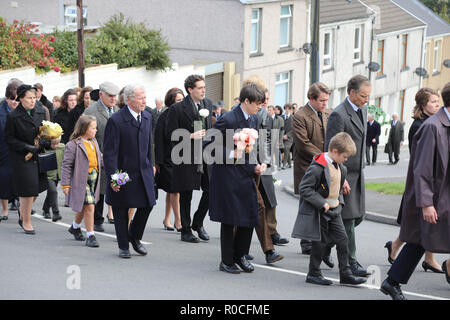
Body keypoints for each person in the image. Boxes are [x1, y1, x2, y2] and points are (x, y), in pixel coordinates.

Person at [380, 82, 450, 300]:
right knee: (420, 239)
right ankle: (392, 282)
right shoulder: (432, 127)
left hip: (444, 196)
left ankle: (392, 282)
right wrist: (427, 203)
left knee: (421, 239)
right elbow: (422, 169)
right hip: (436, 198)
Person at [293, 132, 367, 286]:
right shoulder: (318, 167)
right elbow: (305, 188)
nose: (346, 160)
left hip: (335, 210)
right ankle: (313, 273)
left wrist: (339, 201)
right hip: (321, 210)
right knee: (319, 243)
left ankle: (345, 274)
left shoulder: (341, 168)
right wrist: (321, 203)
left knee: (343, 239)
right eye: (345, 157)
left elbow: (335, 186)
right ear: (334, 151)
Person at [209, 83, 266, 274]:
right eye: (257, 103)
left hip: (245, 173)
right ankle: (226, 261)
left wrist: (257, 164)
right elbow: (210, 146)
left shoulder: (253, 119)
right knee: (230, 217)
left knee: (249, 215)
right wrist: (233, 153)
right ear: (246, 101)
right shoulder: (228, 118)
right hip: (228, 175)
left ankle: (240, 255)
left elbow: (251, 149)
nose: (260, 107)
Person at [325, 75, 371, 277]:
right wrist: (340, 178)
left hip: (358, 173)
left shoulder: (363, 109)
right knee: (349, 221)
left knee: (359, 217)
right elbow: (331, 149)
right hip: (344, 175)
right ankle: (351, 262)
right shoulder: (338, 115)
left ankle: (324, 246)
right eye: (363, 95)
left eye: (368, 96)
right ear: (351, 93)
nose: (366, 100)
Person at [103, 84, 157, 259]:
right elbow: (110, 153)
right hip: (124, 172)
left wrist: (152, 164)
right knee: (120, 209)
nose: (144, 101)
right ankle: (123, 246)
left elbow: (149, 145)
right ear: (129, 100)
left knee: (148, 203)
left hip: (144, 170)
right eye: (141, 98)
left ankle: (134, 236)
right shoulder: (116, 120)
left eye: (144, 97)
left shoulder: (147, 117)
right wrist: (115, 178)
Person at [165, 74, 213, 243]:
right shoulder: (177, 109)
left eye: (204, 87)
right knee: (186, 194)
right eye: (200, 88)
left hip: (206, 154)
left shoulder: (208, 104)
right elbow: (169, 134)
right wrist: (190, 135)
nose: (203, 90)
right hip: (185, 155)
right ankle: (185, 230)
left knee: (211, 190)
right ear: (190, 90)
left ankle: (198, 222)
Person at [243, 76, 283, 264]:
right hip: (244, 169)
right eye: (260, 97)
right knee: (247, 208)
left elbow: (266, 140)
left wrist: (265, 162)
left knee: (261, 204)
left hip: (259, 166)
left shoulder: (263, 114)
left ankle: (268, 250)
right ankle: (241, 248)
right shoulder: (239, 114)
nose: (264, 102)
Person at [293, 82, 332, 257]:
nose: (325, 104)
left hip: (325, 166)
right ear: (311, 98)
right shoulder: (300, 116)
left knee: (323, 202)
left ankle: (318, 239)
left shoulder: (328, 113)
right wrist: (324, 158)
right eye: (322, 101)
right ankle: (306, 242)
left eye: (326, 100)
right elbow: (303, 144)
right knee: (307, 204)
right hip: (307, 166)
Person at [5, 84, 50, 234]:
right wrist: (26, 146)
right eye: (29, 98)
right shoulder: (13, 116)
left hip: (39, 154)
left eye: (34, 98)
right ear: (21, 99)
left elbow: (46, 129)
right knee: (28, 189)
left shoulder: (40, 111)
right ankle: (26, 221)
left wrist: (46, 141)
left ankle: (23, 212)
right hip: (22, 157)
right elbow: (9, 138)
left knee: (40, 187)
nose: (33, 101)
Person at [84, 81, 120, 231]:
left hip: (116, 158)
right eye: (110, 96)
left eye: (115, 96)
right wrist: (97, 153)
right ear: (101, 95)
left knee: (118, 188)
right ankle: (96, 219)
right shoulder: (91, 111)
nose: (113, 99)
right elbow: (85, 136)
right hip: (98, 157)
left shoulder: (117, 110)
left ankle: (119, 219)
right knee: (98, 190)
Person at [61, 115, 102, 247]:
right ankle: (91, 235)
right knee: (90, 206)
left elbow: (99, 158)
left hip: (94, 178)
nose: (96, 130)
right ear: (84, 129)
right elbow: (66, 165)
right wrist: (65, 184)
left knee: (84, 205)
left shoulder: (94, 141)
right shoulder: (73, 145)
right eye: (93, 128)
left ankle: (75, 227)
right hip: (81, 180)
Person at [154, 88, 184, 232]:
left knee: (171, 191)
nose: (181, 103)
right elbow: (158, 139)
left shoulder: (183, 115)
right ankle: (178, 221)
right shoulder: (164, 116)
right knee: (174, 190)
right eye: (178, 100)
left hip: (182, 157)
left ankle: (167, 219)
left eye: (182, 100)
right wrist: (158, 161)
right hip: (168, 158)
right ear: (171, 101)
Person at [0, 82, 20, 221]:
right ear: (7, 98)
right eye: (12, 99)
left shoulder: (23, 112)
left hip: (19, 150)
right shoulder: (1, 113)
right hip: (3, 150)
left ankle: (22, 210)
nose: (15, 102)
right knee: (4, 180)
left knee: (20, 181)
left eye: (17, 99)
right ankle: (5, 209)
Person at [42, 136, 64, 222]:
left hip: (58, 174)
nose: (55, 146)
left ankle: (45, 209)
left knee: (51, 193)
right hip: (48, 175)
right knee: (53, 191)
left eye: (57, 144)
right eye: (53, 144)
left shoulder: (62, 147)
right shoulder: (45, 149)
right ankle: (56, 213)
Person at [281, 104, 293, 169]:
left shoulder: (293, 118)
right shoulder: (281, 117)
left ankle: (284, 164)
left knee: (286, 148)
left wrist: (287, 135)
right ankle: (290, 163)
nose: (287, 110)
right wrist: (282, 135)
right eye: (286, 109)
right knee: (286, 150)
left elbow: (294, 129)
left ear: (291, 110)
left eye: (289, 109)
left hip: (290, 137)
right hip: (282, 136)